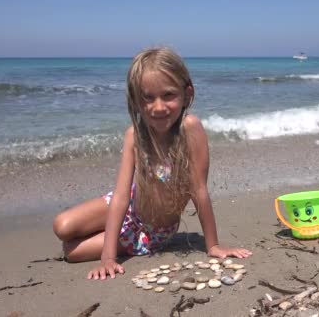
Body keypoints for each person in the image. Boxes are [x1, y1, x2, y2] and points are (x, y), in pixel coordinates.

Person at [53, 47, 252, 280]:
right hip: (129, 208)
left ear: (187, 94)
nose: (158, 107)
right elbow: (120, 196)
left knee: (72, 252)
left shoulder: (191, 129)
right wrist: (107, 258)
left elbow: (199, 190)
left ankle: (113, 236)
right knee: (62, 226)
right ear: (136, 99)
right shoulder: (134, 135)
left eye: (168, 95)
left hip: (153, 231)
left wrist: (213, 245)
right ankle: (109, 233)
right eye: (148, 97)